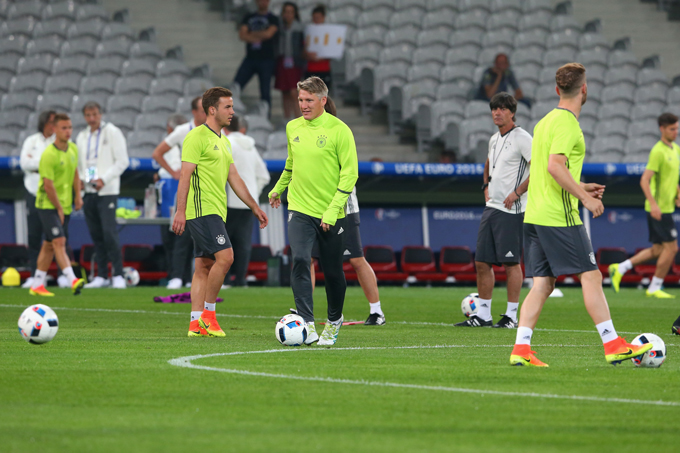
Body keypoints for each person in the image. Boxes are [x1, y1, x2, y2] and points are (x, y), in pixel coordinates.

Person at [510, 63, 652, 367]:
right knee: (591, 275)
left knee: (543, 284)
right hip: (558, 216)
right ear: (584, 89)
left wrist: (581, 185)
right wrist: (584, 197)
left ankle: (521, 348)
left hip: (534, 215)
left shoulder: (544, 122)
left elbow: (545, 170)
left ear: (557, 89)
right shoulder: (568, 124)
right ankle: (612, 344)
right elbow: (554, 166)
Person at [268, 77, 359, 346]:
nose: (303, 105)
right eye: (300, 100)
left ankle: (334, 320)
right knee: (299, 259)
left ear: (322, 100)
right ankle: (306, 322)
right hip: (299, 207)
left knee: (332, 271)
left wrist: (332, 210)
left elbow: (350, 174)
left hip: (332, 213)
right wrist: (278, 189)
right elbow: (291, 164)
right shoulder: (292, 127)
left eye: (309, 100)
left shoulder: (340, 130)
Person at [172, 87, 268, 338]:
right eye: (228, 107)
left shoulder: (224, 140)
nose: (232, 112)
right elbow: (185, 175)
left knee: (204, 266)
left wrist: (254, 206)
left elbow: (234, 177)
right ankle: (209, 316)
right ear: (212, 110)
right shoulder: (196, 137)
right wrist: (180, 211)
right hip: (202, 209)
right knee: (225, 258)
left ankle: (195, 325)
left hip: (216, 210)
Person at [455, 92, 531, 329]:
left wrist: (517, 192)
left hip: (511, 210)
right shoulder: (494, 138)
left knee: (510, 263)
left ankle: (511, 316)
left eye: (502, 109)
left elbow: (539, 168)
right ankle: (483, 316)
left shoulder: (522, 138)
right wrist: (486, 186)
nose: (497, 113)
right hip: (492, 207)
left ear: (512, 112)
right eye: (494, 109)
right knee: (482, 262)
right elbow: (489, 162)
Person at [309, 96, 386, 325]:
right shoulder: (308, 135)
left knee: (356, 259)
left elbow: (348, 174)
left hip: (344, 208)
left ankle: (376, 312)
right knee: (307, 259)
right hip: (314, 207)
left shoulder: (340, 134)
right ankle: (304, 311)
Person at [609, 113, 680, 298]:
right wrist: (654, 205)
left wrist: (677, 194)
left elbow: (672, 178)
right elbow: (644, 180)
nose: (676, 132)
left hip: (667, 207)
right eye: (672, 129)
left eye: (677, 128)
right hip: (659, 209)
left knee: (658, 249)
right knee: (672, 248)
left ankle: (620, 268)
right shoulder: (658, 151)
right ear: (662, 129)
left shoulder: (676, 150)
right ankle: (655, 287)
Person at [152, 99, 208, 289]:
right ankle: (177, 277)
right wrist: (174, 172)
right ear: (194, 112)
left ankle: (195, 277)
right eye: (202, 110)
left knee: (204, 237)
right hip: (186, 190)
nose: (206, 114)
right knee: (182, 235)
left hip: (206, 191)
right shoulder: (183, 131)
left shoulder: (214, 131)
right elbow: (157, 153)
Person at [28, 113, 85, 297]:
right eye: (63, 128)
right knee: (59, 241)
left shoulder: (73, 149)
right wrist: (58, 208)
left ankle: (37, 284)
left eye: (70, 127)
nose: (68, 131)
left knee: (49, 245)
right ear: (55, 130)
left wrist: (78, 196)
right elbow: (48, 185)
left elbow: (75, 172)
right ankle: (72, 279)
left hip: (65, 205)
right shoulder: (49, 154)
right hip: (47, 205)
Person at [76, 101, 129, 289]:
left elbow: (122, 161)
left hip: (107, 190)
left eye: (95, 114)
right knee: (96, 234)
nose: (92, 119)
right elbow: (85, 163)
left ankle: (118, 274)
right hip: (89, 190)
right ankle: (102, 275)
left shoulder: (112, 132)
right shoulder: (82, 136)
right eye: (88, 115)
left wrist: (103, 179)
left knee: (109, 233)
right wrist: (84, 180)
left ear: (101, 114)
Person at [223, 115, 271, 287]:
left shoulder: (226, 143)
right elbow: (264, 176)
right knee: (243, 243)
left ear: (225, 127)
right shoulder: (251, 147)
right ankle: (241, 280)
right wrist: (252, 194)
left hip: (229, 201)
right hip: (249, 203)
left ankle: (224, 280)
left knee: (223, 242)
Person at [20, 110, 56, 289]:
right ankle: (35, 276)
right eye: (51, 122)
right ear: (44, 123)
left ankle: (60, 276)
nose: (53, 126)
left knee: (56, 237)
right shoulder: (31, 141)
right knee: (34, 237)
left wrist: (37, 165)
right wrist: (45, 165)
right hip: (33, 193)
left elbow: (58, 166)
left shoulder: (60, 142)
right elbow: (24, 163)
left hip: (53, 195)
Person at [234, 0, 279, 113]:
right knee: (236, 85)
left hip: (266, 59)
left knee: (265, 91)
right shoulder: (249, 17)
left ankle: (266, 116)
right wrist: (260, 35)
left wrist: (251, 33)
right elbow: (242, 35)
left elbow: (269, 34)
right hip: (250, 58)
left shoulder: (273, 18)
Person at [276, 2, 305, 121]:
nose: (288, 15)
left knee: (294, 91)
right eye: (286, 12)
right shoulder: (279, 27)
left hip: (295, 62)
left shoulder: (300, 28)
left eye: (291, 12)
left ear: (295, 14)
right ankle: (286, 118)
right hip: (282, 61)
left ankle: (298, 118)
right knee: (285, 91)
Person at [304, 5, 332, 91]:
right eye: (314, 18)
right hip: (310, 69)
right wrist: (308, 55)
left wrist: (322, 56)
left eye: (318, 18)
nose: (316, 20)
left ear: (323, 18)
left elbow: (334, 51)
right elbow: (303, 51)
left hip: (324, 69)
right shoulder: (308, 32)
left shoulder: (329, 33)